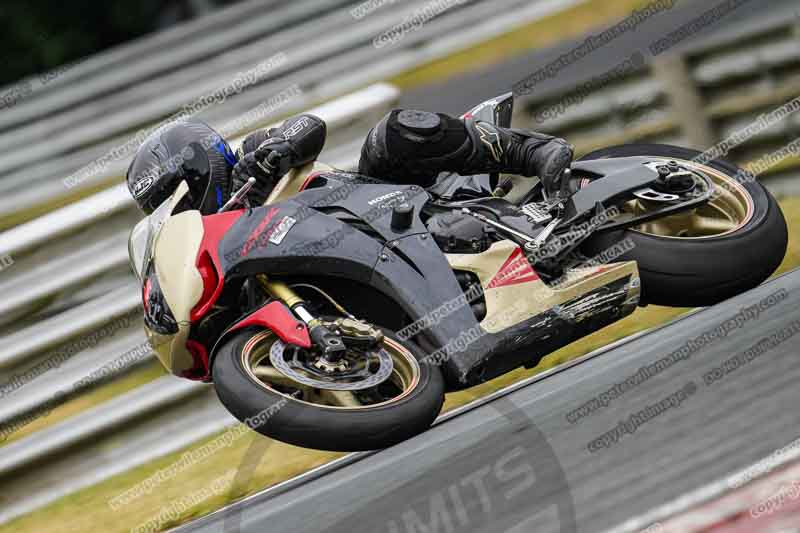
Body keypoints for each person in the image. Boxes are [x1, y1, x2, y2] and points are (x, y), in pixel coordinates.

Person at [125, 109, 573, 215]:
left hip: (375, 203)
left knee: (394, 133)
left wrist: (279, 150)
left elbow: (309, 125)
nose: (175, 210)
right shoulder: (209, 249)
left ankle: (534, 152)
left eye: (171, 198)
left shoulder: (252, 155)